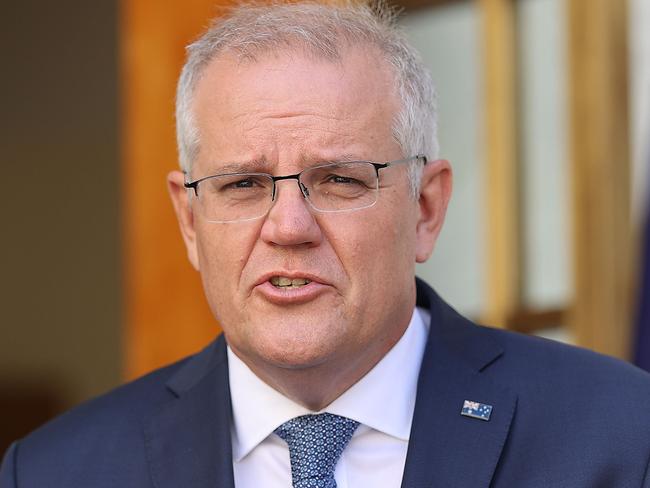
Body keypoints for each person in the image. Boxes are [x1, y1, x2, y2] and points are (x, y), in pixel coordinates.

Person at [2, 2, 650, 487]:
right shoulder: (57, 472)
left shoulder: (619, 435)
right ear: (191, 222)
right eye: (244, 184)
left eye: (338, 180)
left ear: (425, 208)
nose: (288, 227)